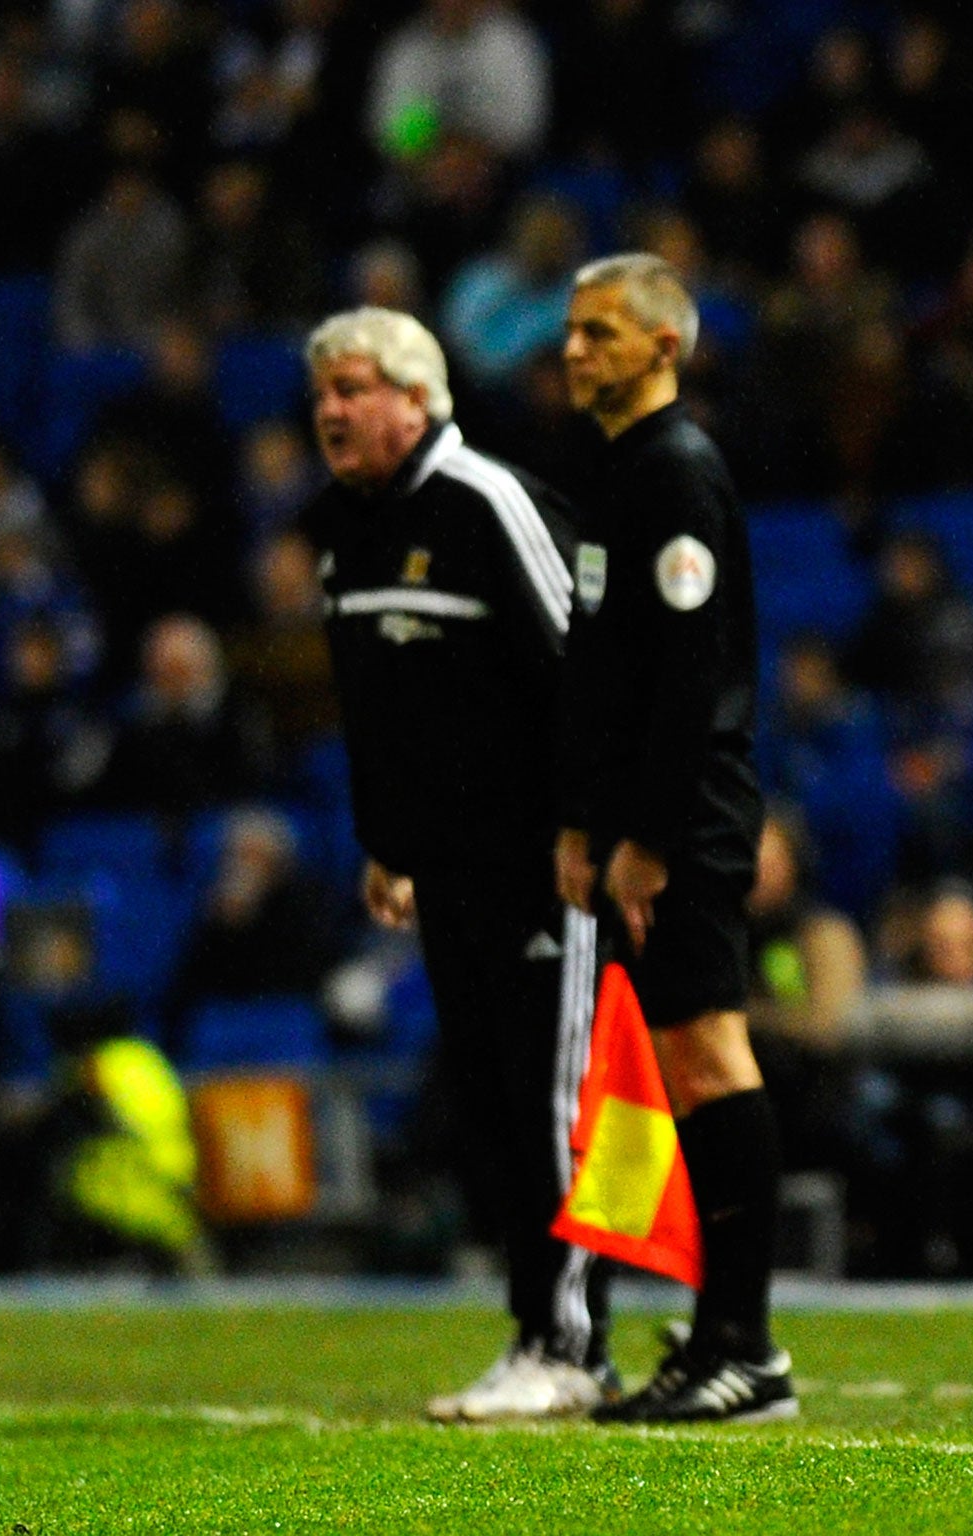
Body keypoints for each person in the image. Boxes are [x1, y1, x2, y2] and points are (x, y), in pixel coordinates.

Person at [299, 306, 614, 1423]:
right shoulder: (346, 531)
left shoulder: (490, 503)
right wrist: (387, 842)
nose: (330, 410)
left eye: (352, 388)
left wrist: (586, 829)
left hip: (545, 865)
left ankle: (573, 1344)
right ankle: (536, 1333)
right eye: (322, 392)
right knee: (487, 1104)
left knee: (551, 1099)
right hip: (447, 871)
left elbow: (589, 669)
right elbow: (373, 711)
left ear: (417, 395)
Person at [551, 254, 795, 1423]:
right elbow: (609, 676)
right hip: (640, 820)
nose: (573, 349)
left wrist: (643, 835)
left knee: (709, 1057)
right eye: (570, 331)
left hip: (684, 815)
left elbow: (690, 674)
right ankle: (715, 1340)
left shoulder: (676, 472)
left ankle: (748, 1349)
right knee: (685, 1069)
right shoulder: (616, 474)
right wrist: (579, 823)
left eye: (600, 331)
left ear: (662, 347)